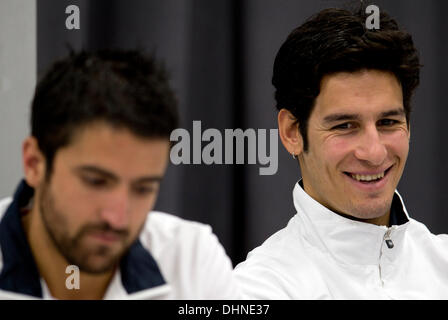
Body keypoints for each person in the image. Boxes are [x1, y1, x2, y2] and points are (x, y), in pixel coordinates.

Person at [234, 6, 448, 299]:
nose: (373, 153)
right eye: (345, 125)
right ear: (292, 132)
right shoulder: (257, 290)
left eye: (388, 122)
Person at [0, 50, 238, 300]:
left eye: (143, 188)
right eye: (95, 181)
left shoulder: (191, 261)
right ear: (34, 163)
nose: (117, 218)